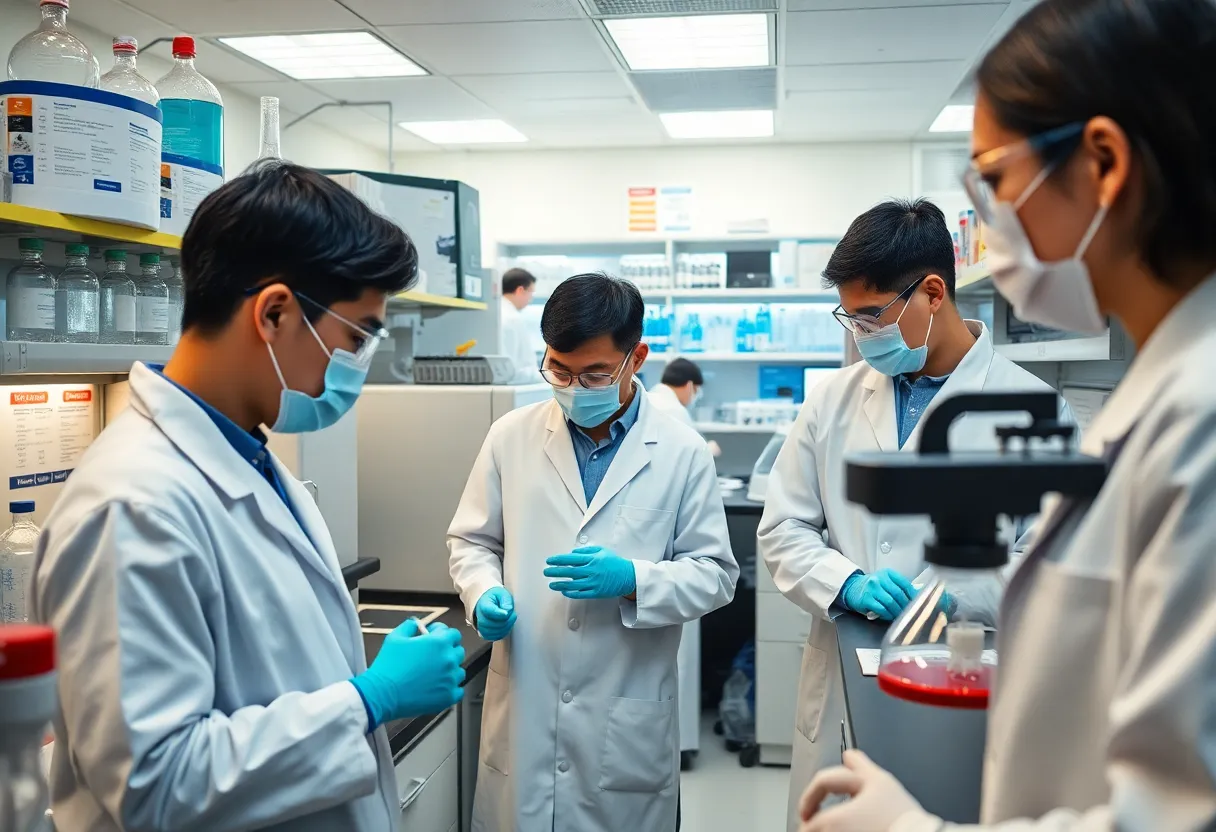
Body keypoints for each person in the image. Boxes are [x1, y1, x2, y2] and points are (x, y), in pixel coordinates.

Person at [797, 0, 1216, 829]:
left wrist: (917, 831)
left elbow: (1179, 808)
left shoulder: (1197, 422)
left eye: (994, 178)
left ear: (1102, 162)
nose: (988, 219)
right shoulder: (1161, 399)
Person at [31, 162, 467, 832]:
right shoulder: (132, 506)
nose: (355, 367)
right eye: (355, 337)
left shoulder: (251, 459)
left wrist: (359, 685)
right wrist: (368, 699)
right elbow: (156, 785)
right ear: (274, 313)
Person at [757, 197, 1069, 832]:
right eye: (852, 318)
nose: (860, 334)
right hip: (844, 666)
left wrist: (956, 598)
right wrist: (848, 583)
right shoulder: (832, 400)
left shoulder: (1032, 408)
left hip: (962, 669)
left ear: (933, 293)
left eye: (872, 316)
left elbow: (1050, 574)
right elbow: (783, 527)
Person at [448, 272, 739, 832]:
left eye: (595, 373)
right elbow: (472, 539)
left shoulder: (682, 452)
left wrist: (633, 578)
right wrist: (483, 590)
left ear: (638, 357)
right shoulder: (511, 435)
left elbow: (716, 575)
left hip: (625, 716)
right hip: (528, 707)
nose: (575, 387)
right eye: (558, 369)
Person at [649, 357, 722, 457]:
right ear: (689, 386)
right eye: (696, 390)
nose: (696, 396)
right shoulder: (674, 410)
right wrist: (709, 449)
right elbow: (693, 453)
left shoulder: (650, 399)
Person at [500, 267, 542, 383]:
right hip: (517, 385)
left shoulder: (498, 313)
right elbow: (515, 369)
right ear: (520, 290)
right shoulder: (511, 318)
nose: (530, 299)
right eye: (531, 293)